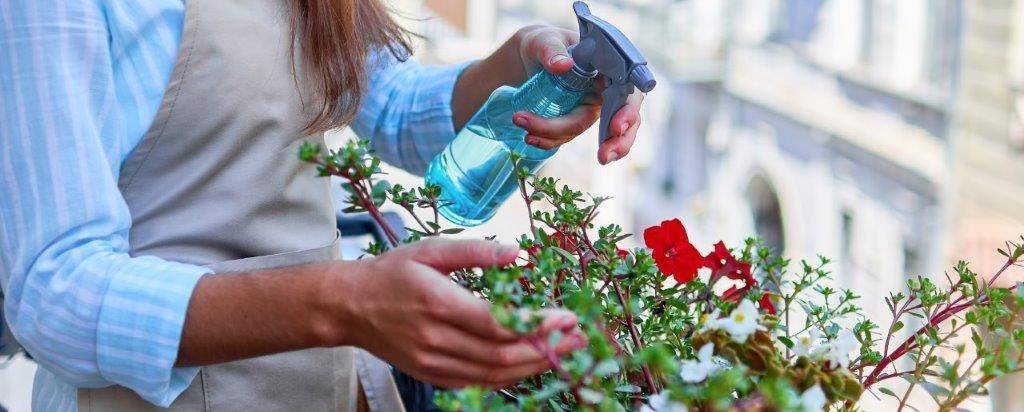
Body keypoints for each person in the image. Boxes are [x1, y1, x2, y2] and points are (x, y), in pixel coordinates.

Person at [0, 0, 645, 410]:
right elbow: (55, 293)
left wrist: (527, 62)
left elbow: (389, 104)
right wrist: (346, 301)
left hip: (330, 389)